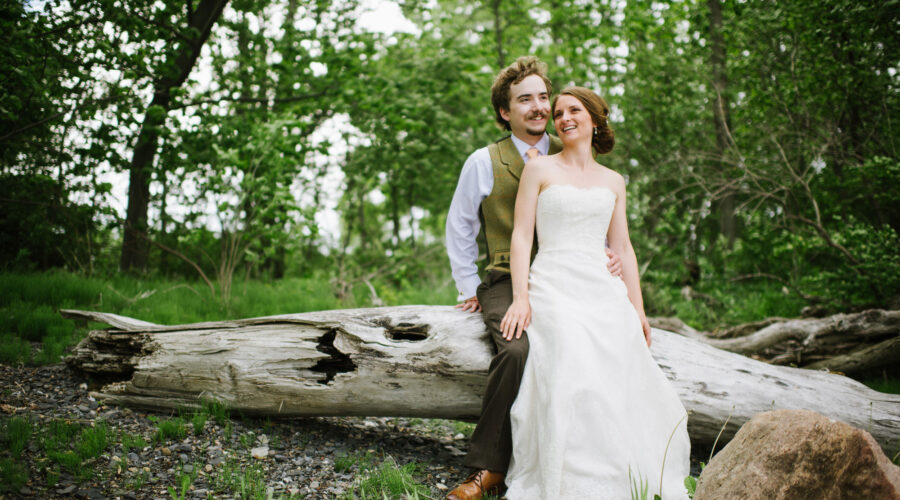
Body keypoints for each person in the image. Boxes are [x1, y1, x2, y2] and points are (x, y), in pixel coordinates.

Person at [444, 58, 623, 500]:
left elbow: (584, 209)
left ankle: (580, 460)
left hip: (569, 276)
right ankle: (486, 469)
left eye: (544, 96)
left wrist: (604, 253)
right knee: (518, 348)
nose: (540, 107)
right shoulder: (483, 161)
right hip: (509, 278)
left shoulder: (568, 148)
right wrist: (469, 287)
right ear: (506, 112)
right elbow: (460, 225)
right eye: (525, 99)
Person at [499, 86, 691, 499]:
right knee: (568, 348)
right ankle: (567, 475)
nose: (563, 118)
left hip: (600, 283)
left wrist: (638, 308)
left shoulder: (614, 180)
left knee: (622, 346)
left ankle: (623, 471)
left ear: (595, 119)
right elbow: (520, 236)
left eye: (573, 111)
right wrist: (521, 297)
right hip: (552, 281)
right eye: (559, 113)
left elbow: (622, 248)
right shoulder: (539, 169)